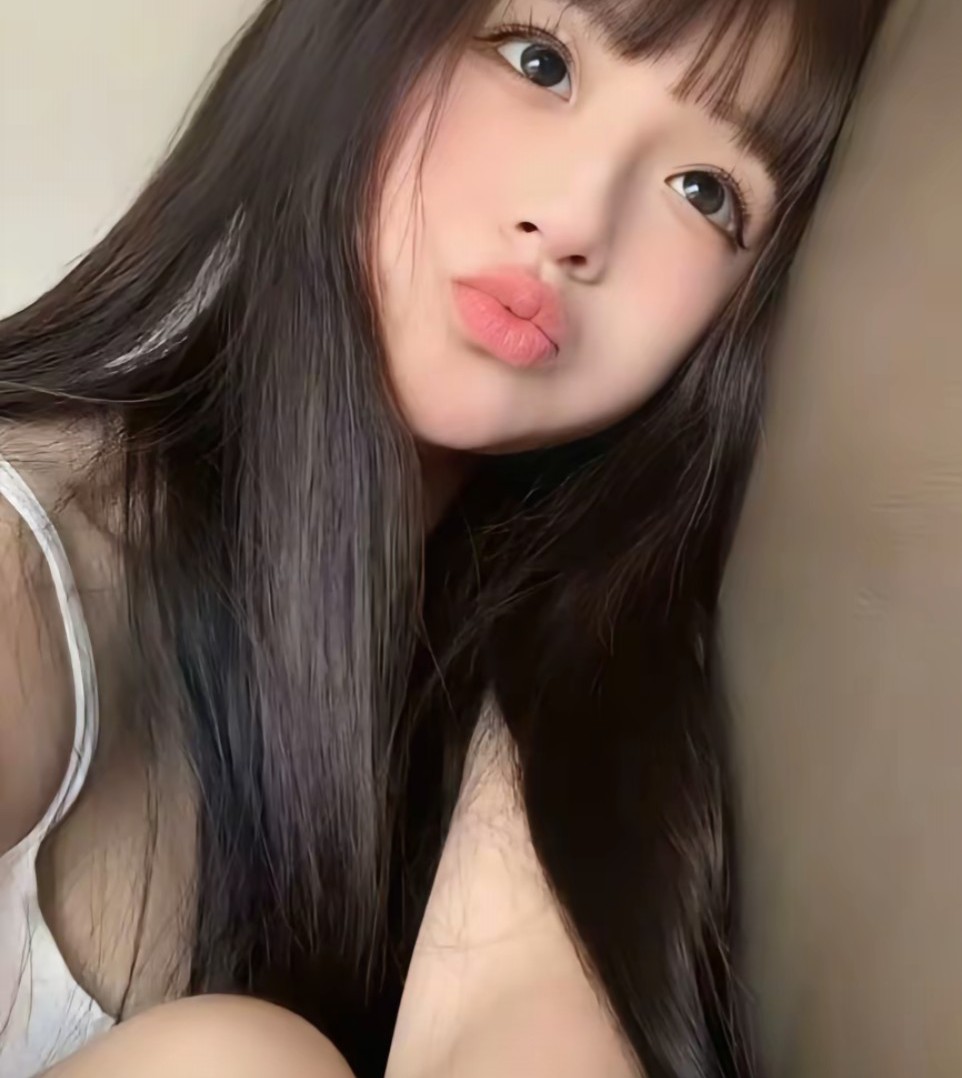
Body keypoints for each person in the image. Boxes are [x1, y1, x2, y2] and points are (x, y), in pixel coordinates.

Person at [0, 0, 889, 1075]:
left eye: (705, 192)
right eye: (539, 62)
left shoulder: (566, 672)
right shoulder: (26, 560)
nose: (576, 217)